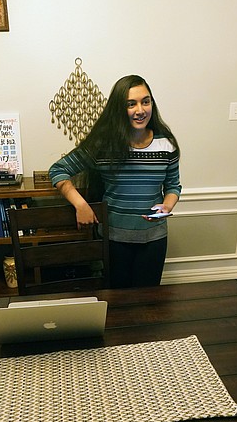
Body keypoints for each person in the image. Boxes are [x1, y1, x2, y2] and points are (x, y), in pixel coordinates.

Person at [49, 75, 181, 288]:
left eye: (145, 101)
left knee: (148, 303)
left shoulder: (166, 144)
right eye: (131, 104)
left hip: (154, 240)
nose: (140, 110)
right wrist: (80, 205)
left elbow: (174, 185)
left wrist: (167, 205)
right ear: (119, 108)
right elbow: (58, 170)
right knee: (118, 304)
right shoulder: (102, 145)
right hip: (114, 240)